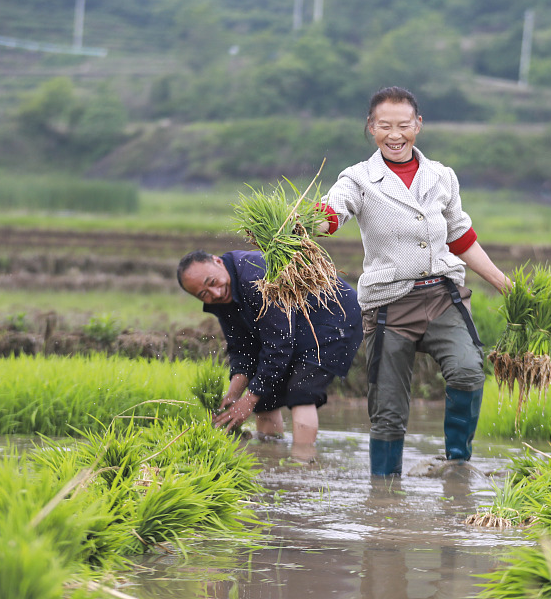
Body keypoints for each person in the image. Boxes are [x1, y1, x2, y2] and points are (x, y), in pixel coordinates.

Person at [319, 86, 509, 476]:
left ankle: (458, 464)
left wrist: (505, 284)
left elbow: (460, 237)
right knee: (388, 410)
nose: (395, 134)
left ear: (418, 125)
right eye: (384, 126)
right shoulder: (358, 179)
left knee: (468, 369)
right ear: (371, 128)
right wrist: (303, 227)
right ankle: (384, 495)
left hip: (443, 297)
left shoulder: (441, 176)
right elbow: (331, 213)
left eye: (403, 125)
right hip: (390, 304)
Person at [177, 250, 363, 457]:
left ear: (217, 261)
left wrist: (248, 400)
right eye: (204, 294)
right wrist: (233, 396)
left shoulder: (255, 276)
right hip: (296, 324)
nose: (216, 293)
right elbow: (242, 349)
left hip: (334, 316)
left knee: (301, 389)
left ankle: (303, 466)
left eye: (213, 282)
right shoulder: (221, 298)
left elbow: (279, 346)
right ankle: (271, 460)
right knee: (264, 397)